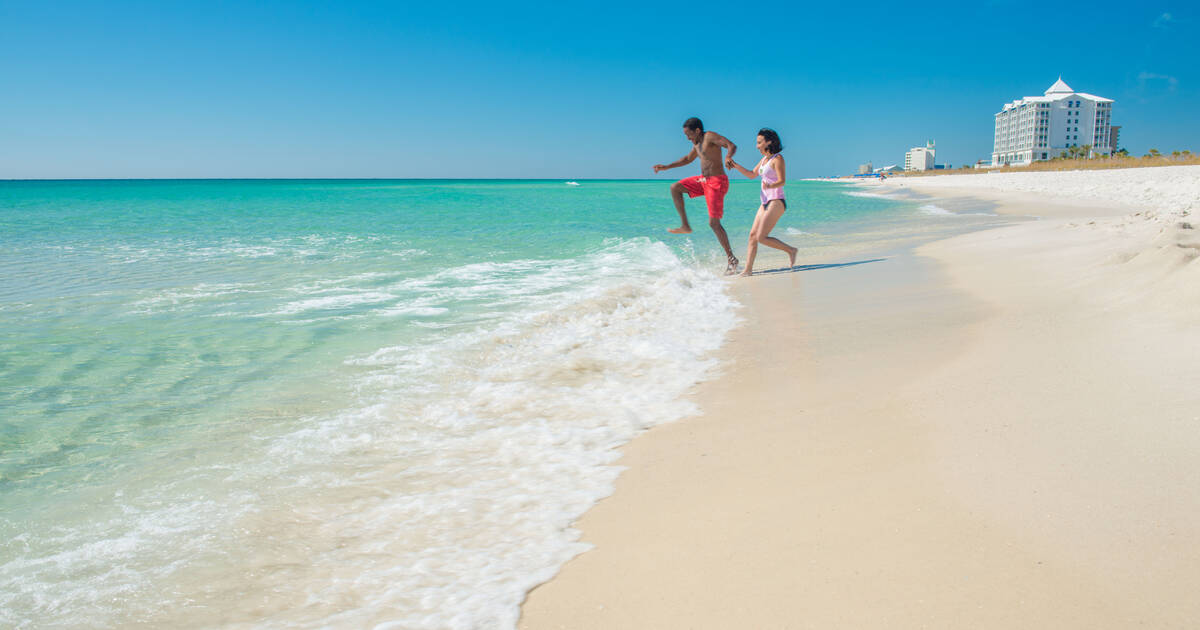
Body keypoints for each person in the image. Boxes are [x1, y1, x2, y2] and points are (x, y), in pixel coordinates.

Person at [653, 117, 740, 274]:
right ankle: (685, 225)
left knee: (714, 224)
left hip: (717, 182)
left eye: (689, 134)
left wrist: (728, 156)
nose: (687, 138)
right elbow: (687, 159)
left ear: (697, 130)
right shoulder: (697, 144)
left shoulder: (709, 137)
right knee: (675, 187)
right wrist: (666, 167)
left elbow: (731, 145)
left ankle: (731, 258)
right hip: (704, 181)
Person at [726, 128, 797, 277]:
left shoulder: (778, 159)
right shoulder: (764, 160)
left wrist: (771, 185)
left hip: (776, 201)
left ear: (769, 141)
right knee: (753, 235)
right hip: (764, 202)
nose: (757, 146)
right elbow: (752, 175)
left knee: (761, 237)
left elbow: (782, 180)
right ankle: (748, 270)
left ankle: (791, 250)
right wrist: (735, 165)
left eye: (759, 142)